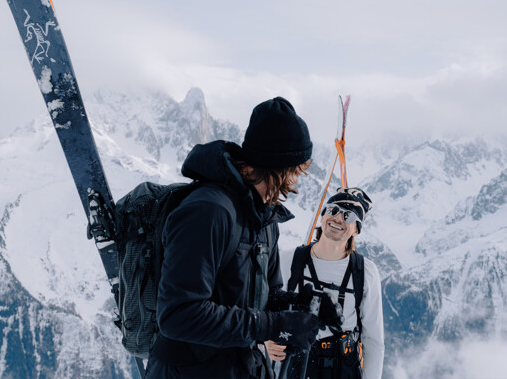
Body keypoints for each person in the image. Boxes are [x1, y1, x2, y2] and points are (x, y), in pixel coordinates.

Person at [145, 97, 344, 379]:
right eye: (297, 170)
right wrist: (274, 326)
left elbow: (267, 298)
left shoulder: (264, 219)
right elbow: (179, 315)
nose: (298, 180)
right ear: (282, 167)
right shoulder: (209, 212)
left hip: (239, 367)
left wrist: (303, 305)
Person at [268, 187, 384, 378]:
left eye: (348, 216)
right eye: (333, 210)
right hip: (299, 361)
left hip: (344, 366)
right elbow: (262, 306)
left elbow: (373, 340)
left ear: (356, 229)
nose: (338, 219)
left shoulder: (365, 272)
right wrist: (265, 341)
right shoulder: (289, 260)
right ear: (322, 216)